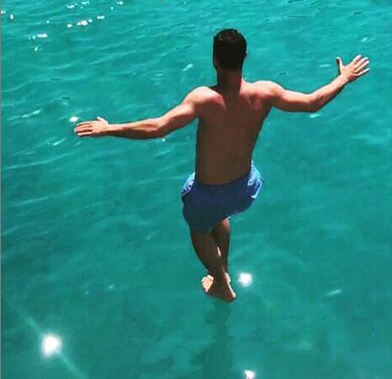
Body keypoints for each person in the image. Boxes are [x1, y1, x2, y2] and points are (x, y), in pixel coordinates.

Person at [75, 29, 370, 302]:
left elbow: (158, 127)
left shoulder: (205, 99)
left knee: (198, 230)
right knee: (220, 215)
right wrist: (343, 78)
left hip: (208, 194)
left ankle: (221, 283)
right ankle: (224, 268)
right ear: (245, 57)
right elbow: (312, 102)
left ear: (214, 59)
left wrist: (109, 128)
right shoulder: (265, 92)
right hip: (245, 187)